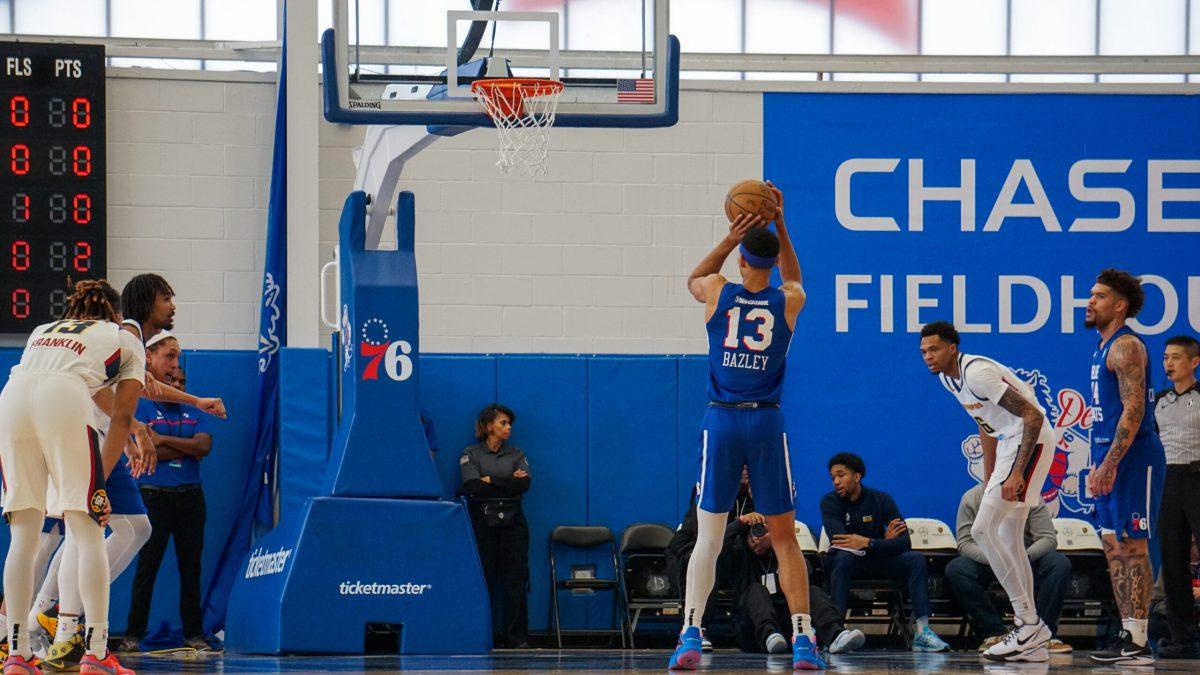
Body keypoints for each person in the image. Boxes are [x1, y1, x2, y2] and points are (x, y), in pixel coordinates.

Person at [671, 182, 824, 671]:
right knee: (784, 537)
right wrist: (779, 223)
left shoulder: (718, 294)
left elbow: (696, 275)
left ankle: (691, 635)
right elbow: (794, 279)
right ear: (775, 263)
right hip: (764, 422)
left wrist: (731, 236)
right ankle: (803, 639)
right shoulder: (788, 302)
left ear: (741, 260)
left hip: (722, 422)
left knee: (708, 539)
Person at [0, 280, 145, 675]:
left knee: (24, 535)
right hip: (63, 399)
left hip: (11, 399)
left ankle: (16, 652)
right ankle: (96, 653)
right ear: (116, 314)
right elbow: (122, 417)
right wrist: (99, 481)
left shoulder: (42, 331)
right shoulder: (124, 338)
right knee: (87, 530)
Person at [918, 320, 1058, 662]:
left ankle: (1028, 622)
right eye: (923, 352)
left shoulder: (977, 373)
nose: (928, 357)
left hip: (1031, 439)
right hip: (1012, 442)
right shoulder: (948, 379)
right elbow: (987, 424)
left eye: (934, 349)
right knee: (1008, 535)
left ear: (953, 348)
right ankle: (1033, 639)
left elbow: (1033, 416)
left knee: (983, 530)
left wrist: (1017, 472)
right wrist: (991, 472)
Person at [1083, 268, 1167, 666]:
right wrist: (1097, 462)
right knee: (1113, 547)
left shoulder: (1126, 345)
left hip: (1134, 460)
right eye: (1091, 295)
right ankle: (1127, 630)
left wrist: (1111, 463)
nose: (1090, 301)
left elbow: (1133, 411)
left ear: (1120, 305)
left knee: (1134, 547)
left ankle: (1140, 639)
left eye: (1099, 296)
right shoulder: (1102, 347)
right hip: (1108, 460)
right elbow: (1106, 414)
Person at [122, 341, 213, 653]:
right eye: (171, 380)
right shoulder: (143, 404)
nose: (176, 384)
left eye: (181, 382)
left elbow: (203, 447)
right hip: (154, 497)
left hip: (191, 497)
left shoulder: (194, 407)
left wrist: (162, 441)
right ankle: (133, 635)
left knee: (191, 568)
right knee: (147, 567)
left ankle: (194, 634)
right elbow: (151, 452)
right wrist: (173, 446)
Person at [820, 452, 950, 652]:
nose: (836, 481)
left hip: (876, 561)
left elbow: (905, 542)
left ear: (857, 476)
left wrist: (869, 543)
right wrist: (883, 542)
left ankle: (923, 632)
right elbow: (841, 541)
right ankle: (836, 634)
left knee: (915, 559)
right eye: (833, 477)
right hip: (850, 564)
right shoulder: (829, 502)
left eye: (841, 475)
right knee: (842, 558)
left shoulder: (881, 500)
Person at [945, 484, 1072, 654]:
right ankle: (994, 633)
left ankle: (1043, 633)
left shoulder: (1030, 495)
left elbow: (1047, 538)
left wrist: (1023, 556)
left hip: (1024, 558)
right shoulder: (972, 498)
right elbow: (965, 542)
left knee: (1058, 563)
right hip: (988, 561)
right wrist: (996, 559)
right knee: (957, 569)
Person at [716, 520, 865, 655]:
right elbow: (719, 545)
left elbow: (806, 572)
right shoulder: (739, 560)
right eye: (752, 536)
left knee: (811, 590)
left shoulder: (783, 553)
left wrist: (777, 543)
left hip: (788, 628)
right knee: (756, 589)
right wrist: (741, 522)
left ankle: (836, 635)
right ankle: (769, 635)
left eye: (762, 533)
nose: (756, 540)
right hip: (753, 630)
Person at [460, 404, 531, 649]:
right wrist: (507, 481)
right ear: (489, 425)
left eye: (510, 423)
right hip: (482, 522)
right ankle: (482, 637)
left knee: (515, 581)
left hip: (514, 523)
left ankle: (517, 639)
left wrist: (489, 479)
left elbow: (522, 486)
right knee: (483, 580)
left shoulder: (516, 454)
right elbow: (472, 487)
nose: (508, 427)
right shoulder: (471, 453)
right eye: (503, 423)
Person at [665, 468, 756, 653]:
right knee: (709, 558)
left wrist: (759, 504)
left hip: (729, 549)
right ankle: (698, 627)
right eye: (742, 467)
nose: (746, 471)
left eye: (749, 467)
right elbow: (705, 536)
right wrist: (741, 522)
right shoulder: (709, 488)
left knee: (745, 557)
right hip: (690, 547)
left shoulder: (753, 495)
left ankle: (745, 626)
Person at [1153, 334, 1200, 659]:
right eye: (1166, 357)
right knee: (1172, 562)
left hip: (1198, 477)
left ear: (1194, 362)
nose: (1169, 363)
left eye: (1176, 357)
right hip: (1168, 481)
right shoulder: (1160, 400)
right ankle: (1183, 639)